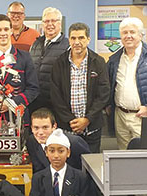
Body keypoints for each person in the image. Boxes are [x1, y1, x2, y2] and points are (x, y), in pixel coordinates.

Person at [51, 22, 110, 153]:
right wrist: (70, 120)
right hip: (67, 127)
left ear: (88, 39)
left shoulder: (98, 62)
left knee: (91, 166)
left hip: (92, 127)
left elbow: (104, 94)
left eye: (81, 38)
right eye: (73, 38)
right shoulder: (59, 62)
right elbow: (55, 95)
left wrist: (87, 119)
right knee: (69, 166)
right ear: (69, 40)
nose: (77, 42)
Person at [107, 17, 147, 150]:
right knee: (123, 156)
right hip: (120, 115)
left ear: (140, 35)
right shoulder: (114, 59)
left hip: (142, 117)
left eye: (132, 32)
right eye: (124, 33)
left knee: (143, 157)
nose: (128, 36)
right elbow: (109, 85)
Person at [29, 7, 69, 113]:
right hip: (35, 102)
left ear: (60, 23)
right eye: (46, 21)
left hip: (56, 104)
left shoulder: (68, 46)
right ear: (42, 24)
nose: (50, 24)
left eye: (53, 21)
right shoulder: (35, 44)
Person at [27, 108, 90, 174]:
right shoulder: (31, 141)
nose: (40, 132)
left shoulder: (74, 142)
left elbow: (87, 170)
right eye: (36, 128)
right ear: (31, 128)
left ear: (54, 126)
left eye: (45, 127)